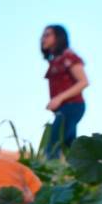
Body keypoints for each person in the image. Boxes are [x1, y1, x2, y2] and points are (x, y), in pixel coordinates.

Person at [41, 25, 89, 158]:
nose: (43, 38)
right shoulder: (55, 61)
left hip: (72, 106)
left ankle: (47, 174)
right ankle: (77, 173)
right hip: (64, 107)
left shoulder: (69, 57)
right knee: (70, 146)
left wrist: (59, 98)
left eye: (48, 35)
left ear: (58, 37)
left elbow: (83, 81)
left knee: (53, 144)